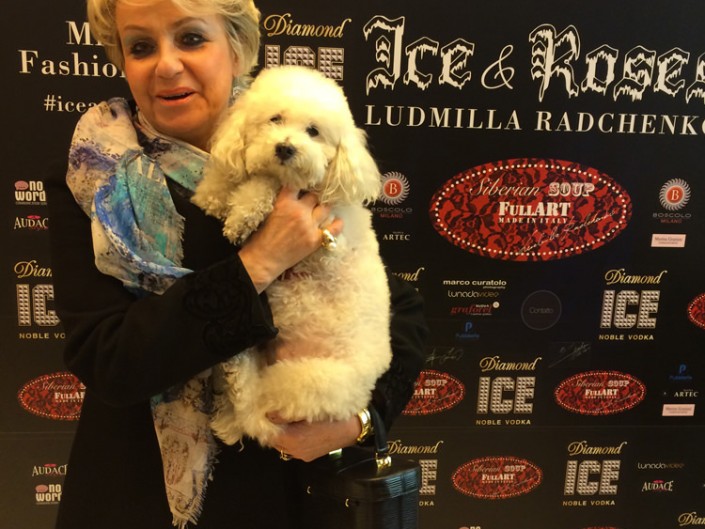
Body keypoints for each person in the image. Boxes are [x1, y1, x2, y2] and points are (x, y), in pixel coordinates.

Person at [44, 0, 428, 527]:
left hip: (285, 488)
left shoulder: (304, 148)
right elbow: (107, 358)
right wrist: (261, 260)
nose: (167, 65)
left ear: (238, 47)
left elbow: (396, 310)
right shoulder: (93, 177)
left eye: (191, 38)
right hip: (139, 490)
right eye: (141, 46)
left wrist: (358, 421)